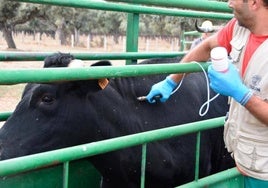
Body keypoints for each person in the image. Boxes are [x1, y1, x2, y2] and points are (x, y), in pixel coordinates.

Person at [146, 0, 268, 187]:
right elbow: (207, 47)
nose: (228, 3)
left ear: (253, 2)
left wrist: (242, 94)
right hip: (241, 158)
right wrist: (172, 81)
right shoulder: (238, 28)